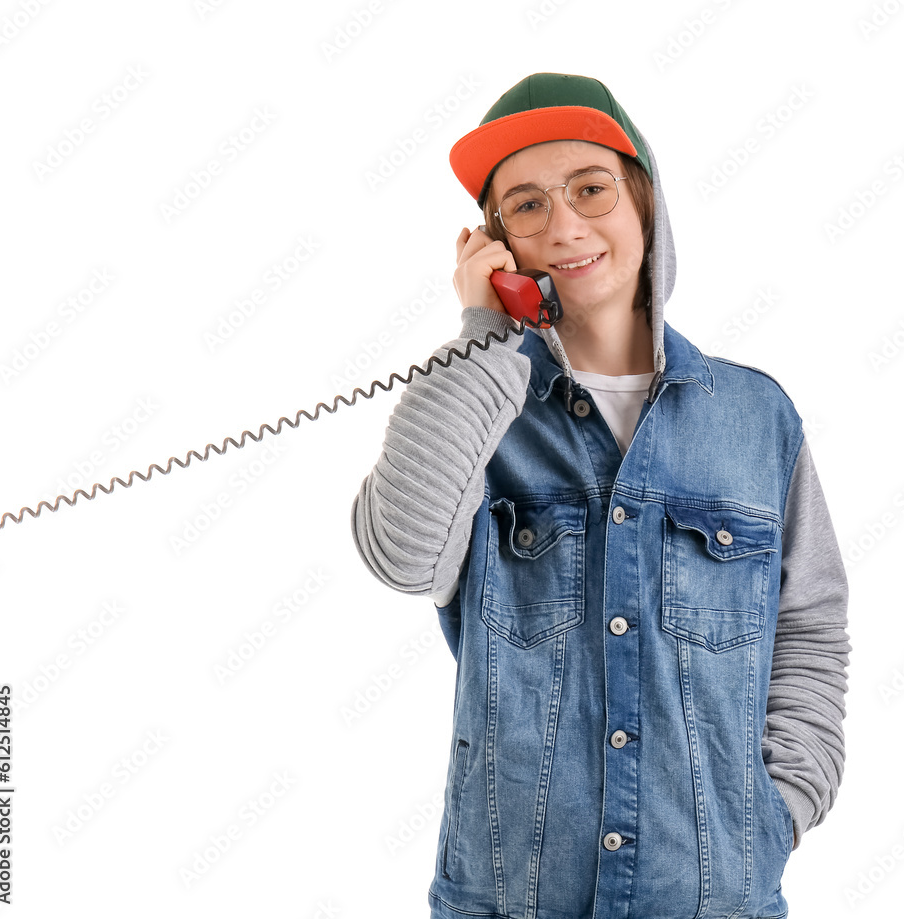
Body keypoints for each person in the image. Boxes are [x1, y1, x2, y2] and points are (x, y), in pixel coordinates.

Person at [351, 72, 850, 919]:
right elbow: (401, 557)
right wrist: (483, 336)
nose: (566, 226)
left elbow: (808, 630)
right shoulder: (475, 410)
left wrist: (778, 811)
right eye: (528, 206)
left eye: (591, 189)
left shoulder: (757, 418)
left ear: (645, 205)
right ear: (494, 243)